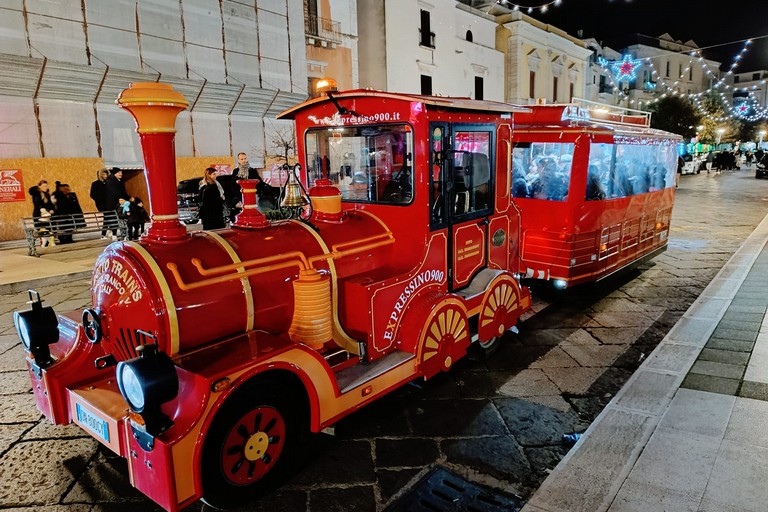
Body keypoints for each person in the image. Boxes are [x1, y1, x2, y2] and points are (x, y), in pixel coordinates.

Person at [29, 180, 56, 247]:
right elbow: (37, 204)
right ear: (39, 186)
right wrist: (43, 209)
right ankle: (46, 242)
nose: (45, 187)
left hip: (47, 214)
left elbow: (50, 204)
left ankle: (48, 242)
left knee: (48, 229)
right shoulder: (36, 194)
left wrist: (52, 209)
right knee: (42, 229)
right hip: (39, 214)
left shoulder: (47, 194)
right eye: (44, 186)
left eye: (46, 186)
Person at [105, 167, 129, 240]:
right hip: (113, 203)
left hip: (121, 202)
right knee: (114, 218)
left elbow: (123, 192)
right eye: (119, 172)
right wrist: (121, 198)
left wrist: (127, 198)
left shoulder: (120, 181)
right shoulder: (111, 181)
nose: (121, 174)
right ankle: (114, 234)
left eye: (121, 172)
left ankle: (124, 234)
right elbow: (114, 192)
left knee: (122, 218)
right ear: (114, 173)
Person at [89, 169, 110, 239]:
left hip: (109, 202)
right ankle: (104, 234)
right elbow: (92, 194)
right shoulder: (95, 184)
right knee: (107, 217)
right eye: (103, 174)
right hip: (101, 204)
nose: (105, 176)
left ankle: (107, 232)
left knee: (108, 217)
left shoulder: (109, 183)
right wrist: (99, 200)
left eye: (106, 174)